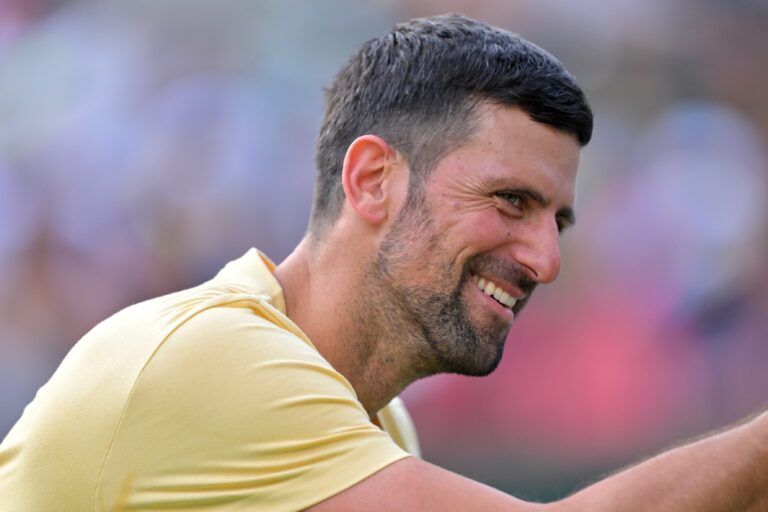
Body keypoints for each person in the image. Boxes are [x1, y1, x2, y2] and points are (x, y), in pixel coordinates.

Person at [0, 13, 765, 512]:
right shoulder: (212, 360)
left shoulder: (376, 421)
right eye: (510, 201)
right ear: (373, 180)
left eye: (555, 220)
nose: (548, 259)